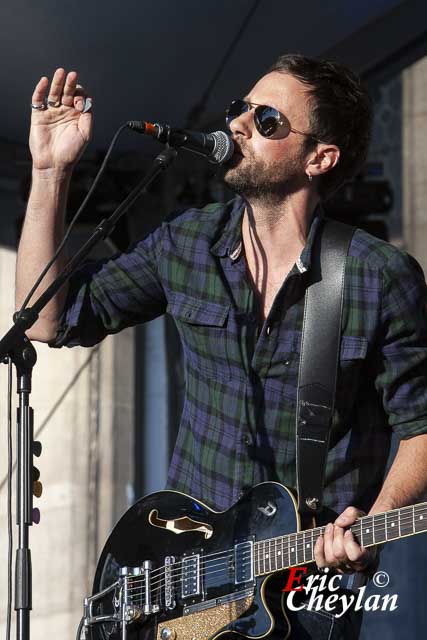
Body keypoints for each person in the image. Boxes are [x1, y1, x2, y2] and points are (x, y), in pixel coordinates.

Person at [16, 55, 427, 638]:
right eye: (240, 109)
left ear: (320, 157)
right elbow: (48, 319)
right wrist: (50, 173)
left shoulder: (377, 277)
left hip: (302, 592)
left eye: (265, 120)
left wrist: (374, 523)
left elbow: (422, 427)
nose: (237, 125)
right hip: (182, 577)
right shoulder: (189, 244)